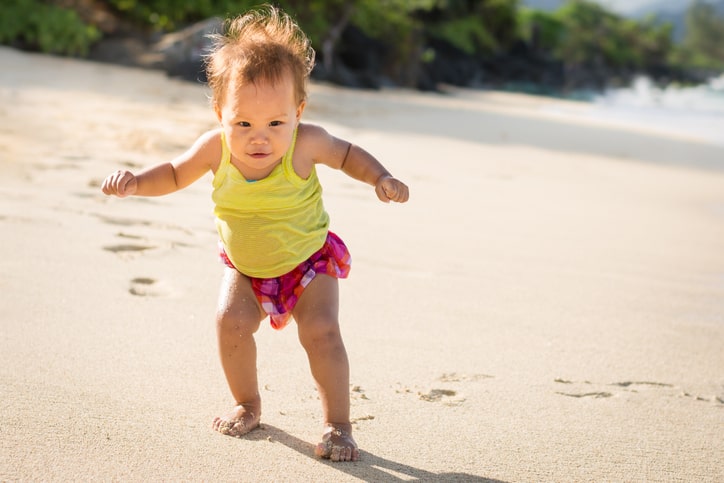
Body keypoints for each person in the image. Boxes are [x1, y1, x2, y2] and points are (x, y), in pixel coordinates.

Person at [101, 4, 409, 463]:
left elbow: (347, 156)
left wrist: (380, 177)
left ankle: (338, 426)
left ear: (298, 112)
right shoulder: (214, 148)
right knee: (230, 323)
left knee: (322, 332)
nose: (258, 138)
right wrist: (136, 182)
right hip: (246, 266)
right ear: (219, 111)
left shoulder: (306, 143)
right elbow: (173, 172)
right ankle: (247, 404)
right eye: (243, 123)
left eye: (275, 124)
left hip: (309, 262)